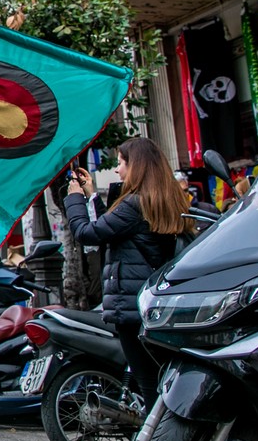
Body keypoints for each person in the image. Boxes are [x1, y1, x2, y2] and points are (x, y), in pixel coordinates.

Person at [64, 139, 194, 402]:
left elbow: (87, 233)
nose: (117, 170)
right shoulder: (166, 201)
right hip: (156, 304)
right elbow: (113, 231)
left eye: (121, 163)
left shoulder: (134, 205)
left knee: (148, 383)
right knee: (160, 380)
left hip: (132, 307)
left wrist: (74, 199)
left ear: (137, 167)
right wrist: (91, 195)